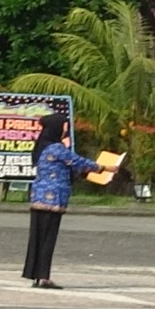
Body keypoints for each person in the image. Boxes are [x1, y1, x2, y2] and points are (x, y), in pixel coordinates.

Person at [22, 113, 102, 289]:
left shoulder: (43, 147)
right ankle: (44, 277)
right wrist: (102, 167)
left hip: (38, 198)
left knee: (37, 238)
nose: (66, 129)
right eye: (64, 126)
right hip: (52, 199)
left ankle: (36, 275)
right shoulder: (57, 148)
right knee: (48, 239)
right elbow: (77, 161)